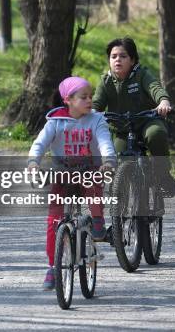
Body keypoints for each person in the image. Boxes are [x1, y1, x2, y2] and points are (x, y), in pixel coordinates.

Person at [28, 76, 116, 291]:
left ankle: (97, 221)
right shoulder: (55, 122)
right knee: (53, 220)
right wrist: (33, 163)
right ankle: (52, 267)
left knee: (93, 183)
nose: (89, 101)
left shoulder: (97, 120)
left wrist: (108, 162)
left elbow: (105, 142)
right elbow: (39, 144)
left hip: (89, 169)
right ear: (68, 99)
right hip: (63, 172)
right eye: (83, 97)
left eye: (90, 96)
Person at [92, 37, 175, 197]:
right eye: (113, 56)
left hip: (147, 121)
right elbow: (96, 103)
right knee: (116, 162)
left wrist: (163, 101)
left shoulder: (142, 74)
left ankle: (163, 175)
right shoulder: (105, 82)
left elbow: (155, 88)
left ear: (132, 60)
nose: (117, 59)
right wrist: (90, 113)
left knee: (156, 134)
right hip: (122, 129)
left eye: (123, 56)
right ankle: (119, 214)